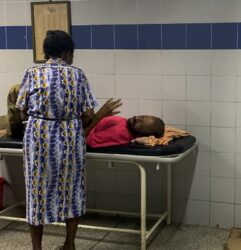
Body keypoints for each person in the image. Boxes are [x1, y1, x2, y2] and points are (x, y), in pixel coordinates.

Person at [15, 30, 121, 250]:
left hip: (39, 138)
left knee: (36, 193)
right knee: (72, 190)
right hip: (70, 138)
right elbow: (89, 114)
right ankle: (69, 244)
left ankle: (37, 247)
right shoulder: (78, 74)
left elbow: (21, 112)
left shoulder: (32, 73)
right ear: (66, 52)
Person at [86, 115, 165, 148]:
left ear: (140, 135)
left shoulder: (119, 133)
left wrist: (99, 115)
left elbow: (88, 140)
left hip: (82, 131)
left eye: (141, 124)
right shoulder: (127, 124)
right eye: (143, 116)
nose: (137, 118)